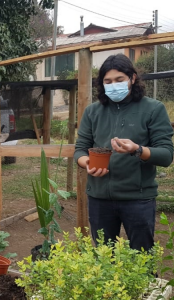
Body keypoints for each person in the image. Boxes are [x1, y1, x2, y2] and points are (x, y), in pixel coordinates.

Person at [74, 54, 174, 252]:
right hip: (99, 197)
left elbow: (166, 155)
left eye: (119, 80)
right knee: (104, 257)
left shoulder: (153, 109)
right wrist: (87, 163)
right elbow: (80, 149)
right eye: (107, 81)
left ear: (132, 78)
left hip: (137, 199)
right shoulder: (93, 112)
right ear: (102, 84)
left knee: (141, 256)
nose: (113, 85)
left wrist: (137, 149)